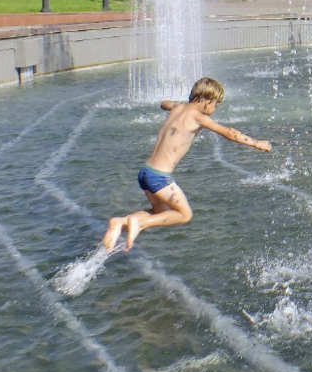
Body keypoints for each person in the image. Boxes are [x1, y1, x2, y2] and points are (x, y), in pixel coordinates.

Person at [102, 77, 272, 252]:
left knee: (161, 214)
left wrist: (175, 104)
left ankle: (120, 222)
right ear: (207, 101)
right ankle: (139, 222)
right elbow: (229, 132)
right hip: (160, 177)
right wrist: (256, 143)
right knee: (184, 215)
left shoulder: (178, 108)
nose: (214, 109)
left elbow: (164, 104)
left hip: (146, 172)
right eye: (216, 104)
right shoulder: (198, 117)